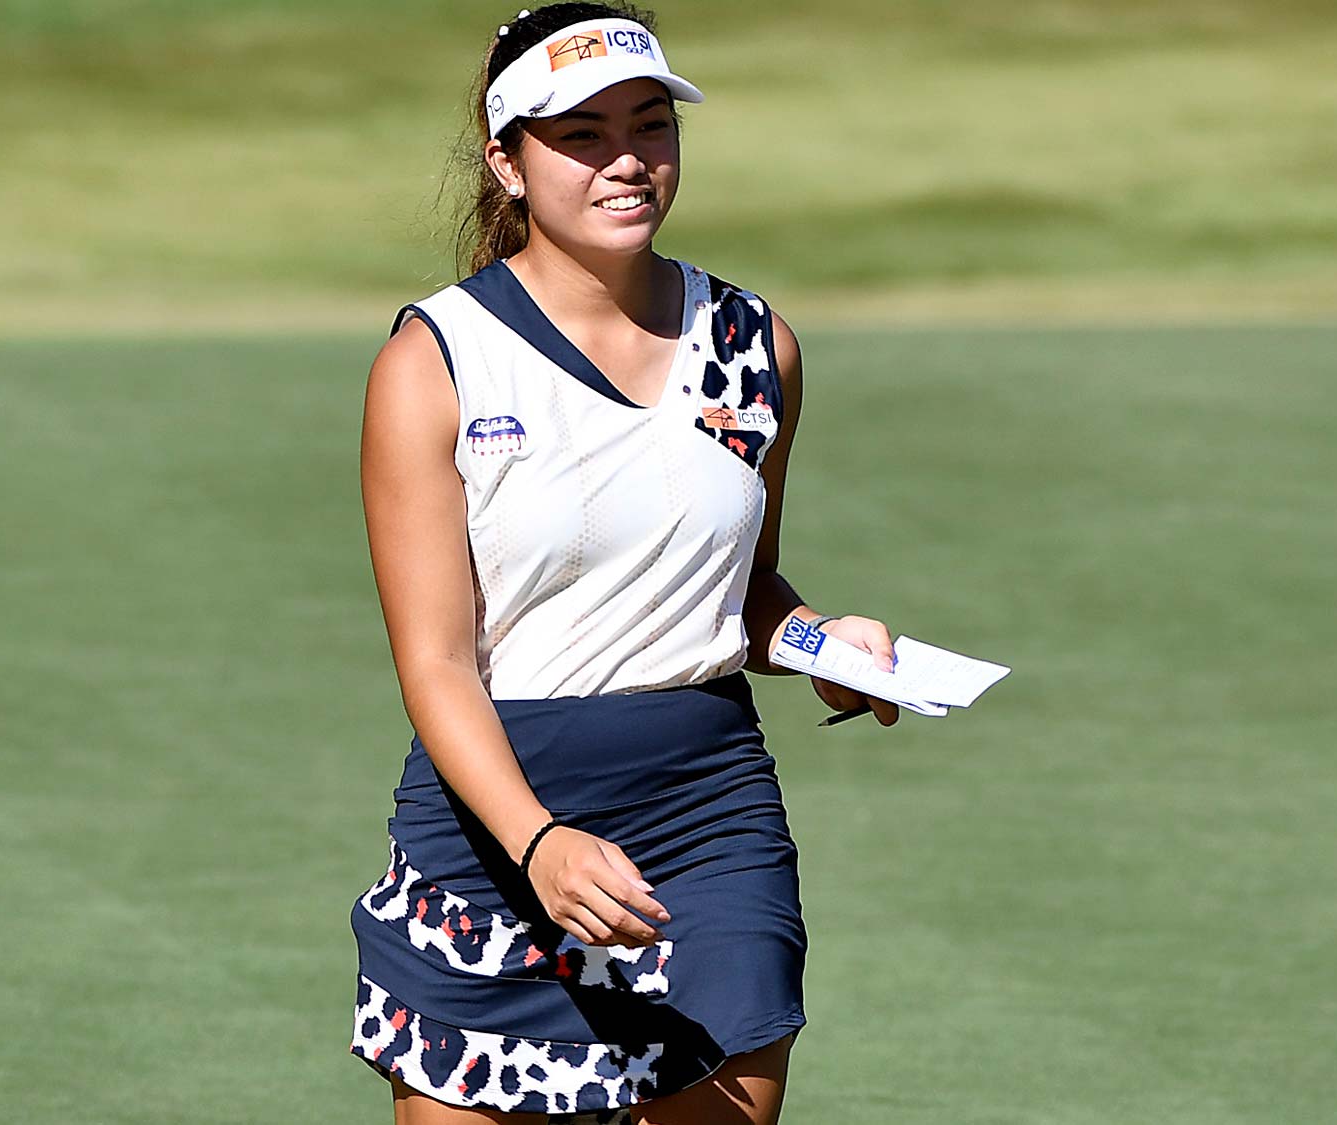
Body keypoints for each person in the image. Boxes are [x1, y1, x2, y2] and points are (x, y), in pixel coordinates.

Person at [352, 5, 900, 1122]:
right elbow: (437, 664)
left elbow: (739, 596)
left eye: (649, 126)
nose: (627, 162)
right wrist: (540, 841)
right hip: (498, 823)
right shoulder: (435, 362)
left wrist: (821, 643)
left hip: (706, 813)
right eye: (581, 135)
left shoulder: (755, 345)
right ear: (507, 162)